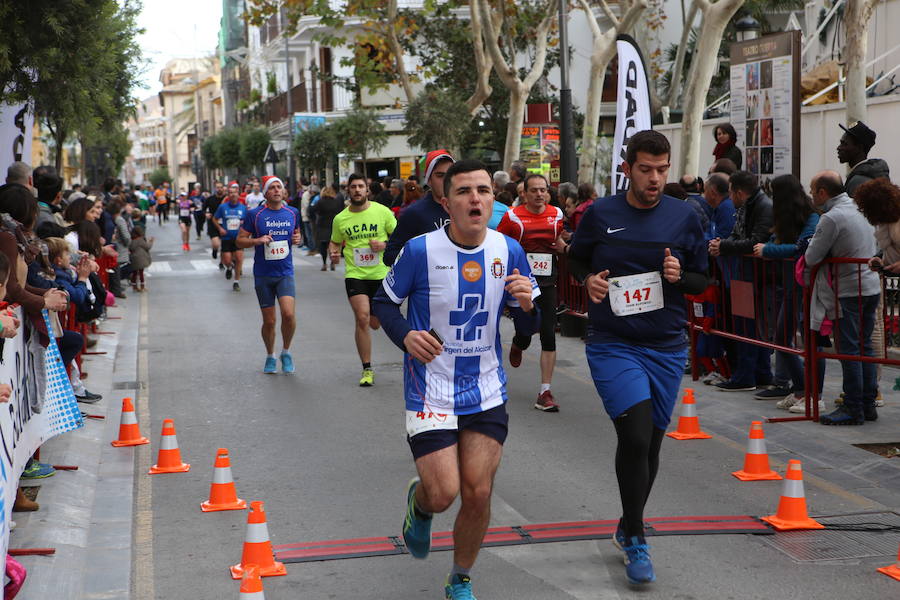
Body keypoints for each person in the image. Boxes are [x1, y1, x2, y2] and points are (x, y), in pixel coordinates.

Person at [372, 159, 539, 600]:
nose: (476, 199)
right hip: (431, 388)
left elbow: (530, 321)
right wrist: (406, 335)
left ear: (494, 198)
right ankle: (421, 505)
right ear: (447, 201)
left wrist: (526, 309)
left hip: (486, 388)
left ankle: (460, 577)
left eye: (483, 190)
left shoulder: (509, 250)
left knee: (478, 492)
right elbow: (383, 304)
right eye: (464, 191)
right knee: (444, 493)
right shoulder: (420, 251)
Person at [566, 130, 708, 584]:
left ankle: (627, 524)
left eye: (662, 170)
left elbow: (703, 280)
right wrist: (587, 281)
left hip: (666, 345)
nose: (655, 178)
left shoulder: (684, 216)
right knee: (636, 436)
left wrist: (680, 275)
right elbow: (577, 260)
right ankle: (638, 537)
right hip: (613, 342)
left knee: (652, 444)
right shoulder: (602, 214)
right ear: (627, 168)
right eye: (646, 169)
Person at [805, 171, 880, 425]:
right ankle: (867, 404)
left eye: (812, 190)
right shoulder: (859, 210)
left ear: (823, 192)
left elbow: (811, 257)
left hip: (850, 289)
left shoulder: (831, 218)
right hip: (870, 285)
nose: (811, 195)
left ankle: (853, 407)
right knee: (865, 346)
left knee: (849, 349)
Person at [497, 173, 565, 411]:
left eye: (543, 190)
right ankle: (518, 343)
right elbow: (499, 245)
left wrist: (565, 247)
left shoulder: (557, 214)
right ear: (523, 193)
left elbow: (560, 240)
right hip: (522, 283)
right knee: (526, 331)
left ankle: (545, 391)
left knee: (548, 332)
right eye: (533, 190)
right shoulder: (512, 216)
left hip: (547, 282)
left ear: (548, 192)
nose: (539, 194)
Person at [751, 175, 820, 410]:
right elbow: (781, 241)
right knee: (781, 339)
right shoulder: (787, 219)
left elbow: (802, 247)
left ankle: (813, 394)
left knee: (811, 343)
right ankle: (801, 388)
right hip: (791, 287)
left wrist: (769, 249)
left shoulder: (811, 217)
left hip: (807, 288)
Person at [328, 173, 397, 386]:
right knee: (362, 317)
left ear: (367, 190)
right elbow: (334, 242)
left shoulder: (382, 212)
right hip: (355, 275)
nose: (357, 190)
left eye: (361, 186)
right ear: (348, 191)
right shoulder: (340, 219)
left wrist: (384, 245)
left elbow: (399, 238)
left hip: (380, 274)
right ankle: (367, 369)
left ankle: (376, 319)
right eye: (353, 187)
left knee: (376, 323)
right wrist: (334, 253)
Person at [708, 170, 773, 391]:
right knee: (745, 326)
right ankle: (756, 374)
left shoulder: (763, 206)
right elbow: (738, 235)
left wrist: (724, 247)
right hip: (744, 274)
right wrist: (722, 244)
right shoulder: (746, 206)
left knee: (749, 328)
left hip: (755, 274)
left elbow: (755, 241)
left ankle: (749, 375)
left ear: (737, 192)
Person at [236, 175, 302, 374]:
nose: (276, 190)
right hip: (263, 274)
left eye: (279, 187)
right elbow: (240, 240)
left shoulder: (293, 212)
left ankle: (286, 352)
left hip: (285, 272)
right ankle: (270, 355)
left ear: (283, 191)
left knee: (289, 315)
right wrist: (258, 240)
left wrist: (297, 238)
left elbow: (296, 234)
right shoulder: (255, 214)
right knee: (270, 321)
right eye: (272, 188)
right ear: (265, 193)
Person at [384, 149, 454, 266]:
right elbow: (390, 255)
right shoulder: (414, 213)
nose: (446, 180)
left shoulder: (463, 209)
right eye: (440, 175)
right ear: (429, 180)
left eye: (450, 175)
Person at [836, 121, 890, 197]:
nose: (838, 148)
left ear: (859, 147)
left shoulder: (858, 182)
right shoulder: (869, 175)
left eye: (844, 144)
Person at [212, 182, 248, 292]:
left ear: (238, 195)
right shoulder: (223, 207)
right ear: (228, 195)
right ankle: (229, 267)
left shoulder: (242, 208)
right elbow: (214, 219)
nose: (233, 195)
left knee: (239, 259)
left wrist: (244, 227)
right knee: (227, 260)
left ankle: (236, 282)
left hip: (238, 238)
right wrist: (220, 229)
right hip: (227, 238)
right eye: (231, 193)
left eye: (235, 193)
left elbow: (247, 222)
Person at [308, 184, 343, 271]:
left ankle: (324, 264)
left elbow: (311, 210)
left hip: (322, 225)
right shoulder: (336, 201)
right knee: (333, 245)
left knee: (323, 246)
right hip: (333, 225)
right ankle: (332, 263)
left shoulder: (320, 201)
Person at [205, 182, 226, 264]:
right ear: (215, 188)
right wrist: (206, 213)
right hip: (212, 223)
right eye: (217, 187)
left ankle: (221, 262)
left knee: (224, 245)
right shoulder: (210, 199)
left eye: (221, 187)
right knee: (216, 244)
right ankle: (214, 249)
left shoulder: (226, 199)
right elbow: (203, 208)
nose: (219, 189)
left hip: (224, 223)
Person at [129, 226, 152, 292]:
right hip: (141, 259)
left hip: (133, 259)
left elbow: (130, 248)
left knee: (134, 273)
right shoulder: (140, 240)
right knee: (141, 273)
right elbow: (147, 247)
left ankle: (134, 287)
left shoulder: (132, 240)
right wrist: (151, 242)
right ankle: (142, 287)